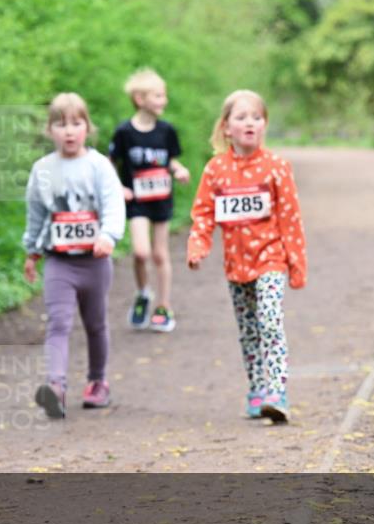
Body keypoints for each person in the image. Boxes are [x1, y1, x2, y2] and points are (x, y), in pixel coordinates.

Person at [186, 90, 307, 422]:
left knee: (270, 321)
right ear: (226, 128)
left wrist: (296, 265)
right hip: (236, 266)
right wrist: (198, 246)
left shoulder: (277, 167)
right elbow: (203, 213)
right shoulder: (215, 170)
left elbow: (291, 218)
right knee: (249, 330)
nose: (249, 123)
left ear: (265, 124)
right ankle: (256, 388)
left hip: (271, 259)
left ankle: (277, 392)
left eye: (256, 117)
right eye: (241, 117)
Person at [23, 93, 125, 417]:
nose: (69, 131)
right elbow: (36, 213)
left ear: (87, 128)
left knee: (95, 323)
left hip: (95, 262)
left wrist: (108, 235)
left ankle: (98, 382)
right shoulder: (42, 170)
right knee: (58, 322)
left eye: (76, 123)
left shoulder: (99, 166)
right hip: (59, 261)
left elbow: (113, 204)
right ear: (50, 130)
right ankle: (55, 387)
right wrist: (31, 251)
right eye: (60, 124)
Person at [109, 68, 190, 332]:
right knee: (141, 252)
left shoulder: (167, 131)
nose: (164, 100)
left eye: (164, 95)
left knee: (159, 253)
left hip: (161, 199)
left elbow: (170, 159)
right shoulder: (124, 132)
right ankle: (144, 292)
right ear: (140, 99)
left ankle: (164, 306)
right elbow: (110, 164)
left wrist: (178, 169)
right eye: (158, 95)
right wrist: (119, 186)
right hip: (137, 201)